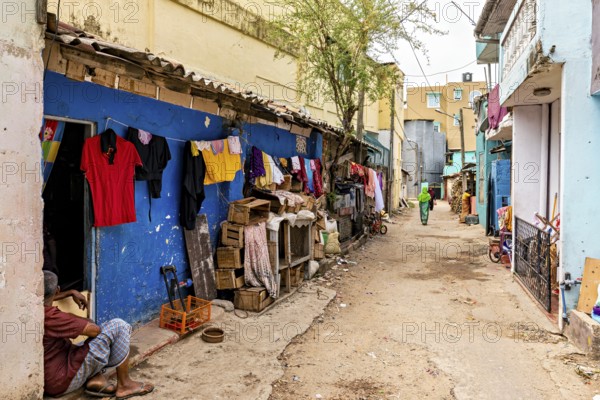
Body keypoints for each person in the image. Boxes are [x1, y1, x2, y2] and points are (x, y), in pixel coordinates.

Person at [43, 271, 154, 399]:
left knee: (84, 345)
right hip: (62, 380)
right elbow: (94, 331)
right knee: (119, 326)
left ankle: (96, 378)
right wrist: (80, 321)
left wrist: (69, 292)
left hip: (52, 375)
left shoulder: (32, 309)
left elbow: (45, 298)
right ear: (57, 290)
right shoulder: (52, 316)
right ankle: (125, 384)